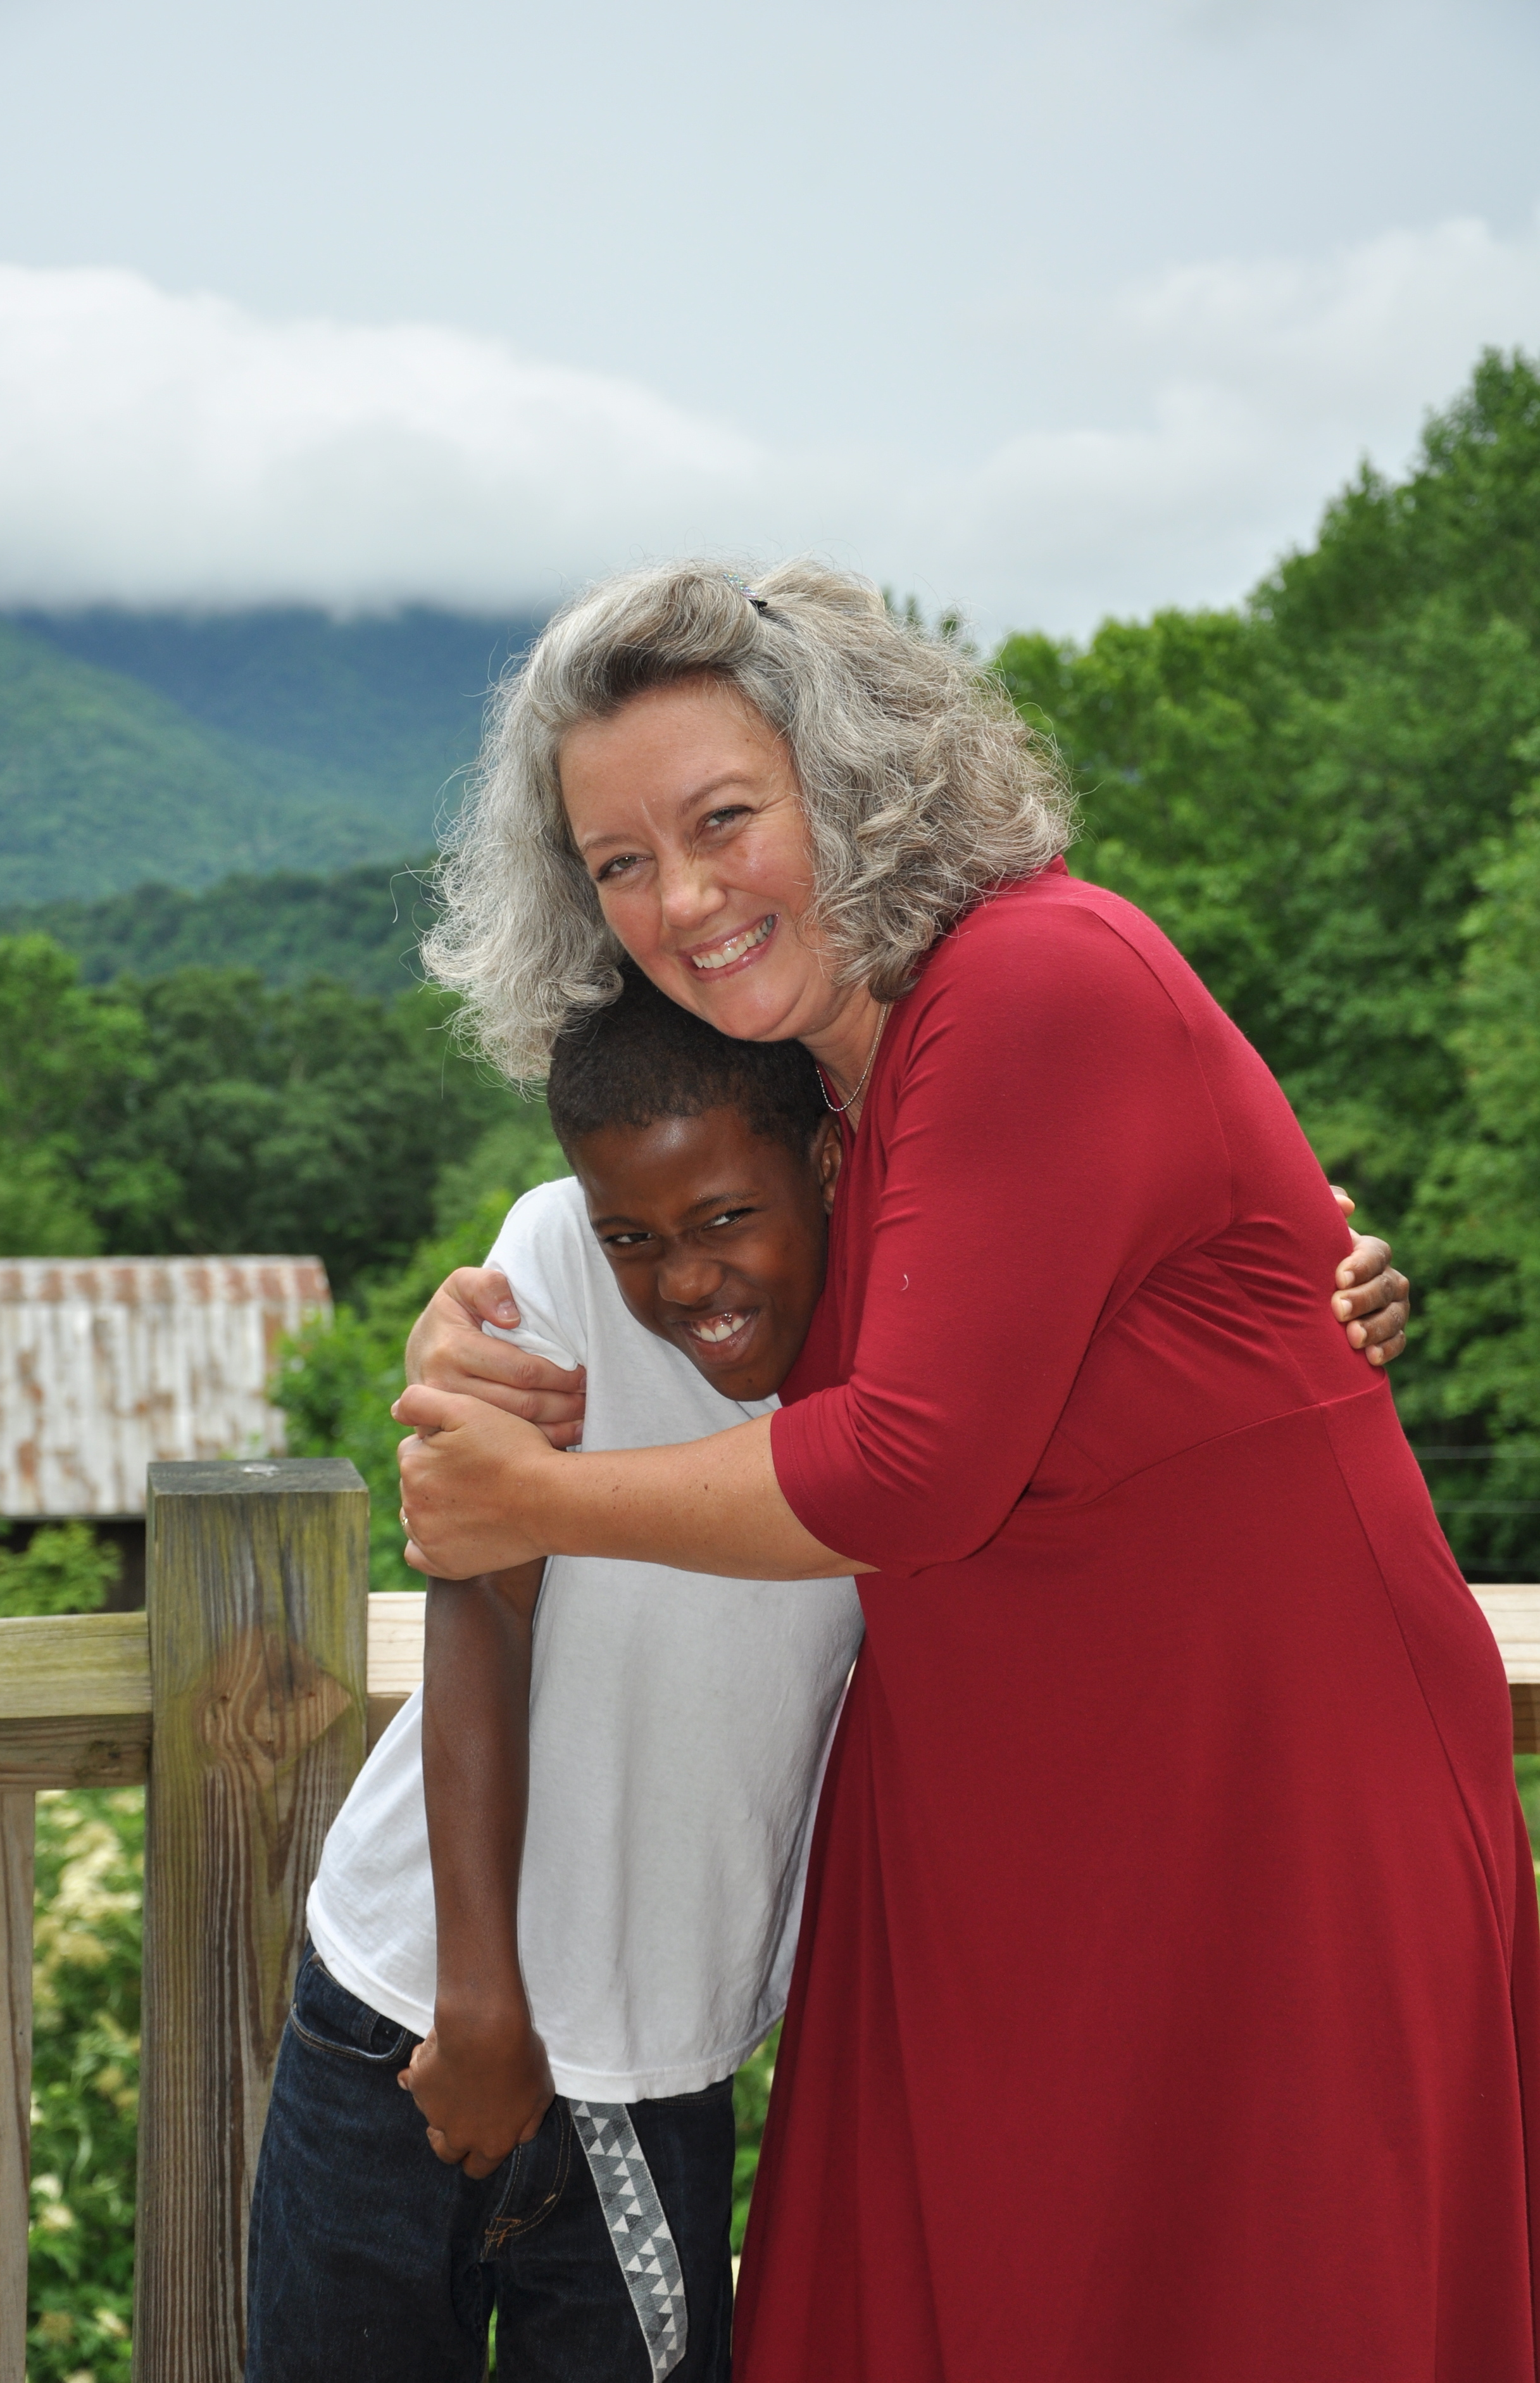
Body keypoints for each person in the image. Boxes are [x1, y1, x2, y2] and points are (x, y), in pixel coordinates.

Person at [395, 557, 1536, 2383]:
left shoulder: (1031, 976)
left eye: (719, 820)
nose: (678, 900)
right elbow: (680, 1273)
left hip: (1253, 1796)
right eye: (618, 862)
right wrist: (476, 1331)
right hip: (998, 1820)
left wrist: (527, 1503)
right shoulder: (822, 1094)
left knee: (1257, 2293)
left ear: (850, 784)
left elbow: (912, 1463)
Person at [246, 979, 864, 2383]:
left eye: (725, 1219)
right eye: (634, 1235)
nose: (685, 1278)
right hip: (404, 2013)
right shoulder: (554, 1260)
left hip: (651, 2062)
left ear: (822, 1162)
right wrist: (478, 1993)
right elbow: (480, 1598)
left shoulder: (920, 1349)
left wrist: (1321, 1262)